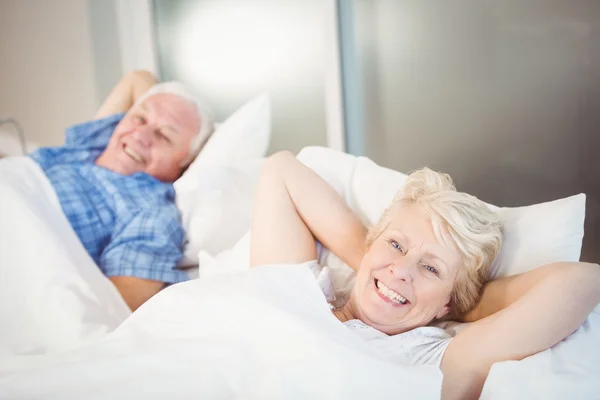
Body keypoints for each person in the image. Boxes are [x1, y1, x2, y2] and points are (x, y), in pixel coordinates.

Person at [250, 151, 600, 400]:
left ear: (448, 303)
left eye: (431, 268)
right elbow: (281, 170)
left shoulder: (438, 361)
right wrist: (376, 264)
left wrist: (462, 302)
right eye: (396, 245)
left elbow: (582, 280)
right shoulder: (299, 291)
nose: (402, 270)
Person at [29, 70, 214, 311]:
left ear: (186, 163)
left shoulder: (151, 213)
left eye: (164, 136)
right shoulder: (90, 146)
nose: (140, 136)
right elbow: (137, 78)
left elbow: (109, 310)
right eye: (140, 118)